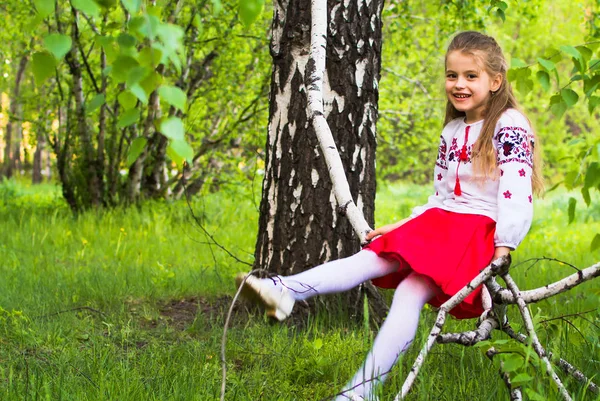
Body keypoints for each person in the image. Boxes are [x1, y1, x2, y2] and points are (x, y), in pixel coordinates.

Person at [235, 31, 543, 401]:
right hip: (442, 223)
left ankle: (359, 393)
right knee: (368, 258)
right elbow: (442, 196)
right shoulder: (452, 130)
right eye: (452, 75)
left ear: (495, 80)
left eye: (470, 76)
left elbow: (516, 188)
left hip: (476, 234)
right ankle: (283, 290)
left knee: (410, 294)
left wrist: (505, 243)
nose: (459, 84)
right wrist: (405, 226)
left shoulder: (509, 124)